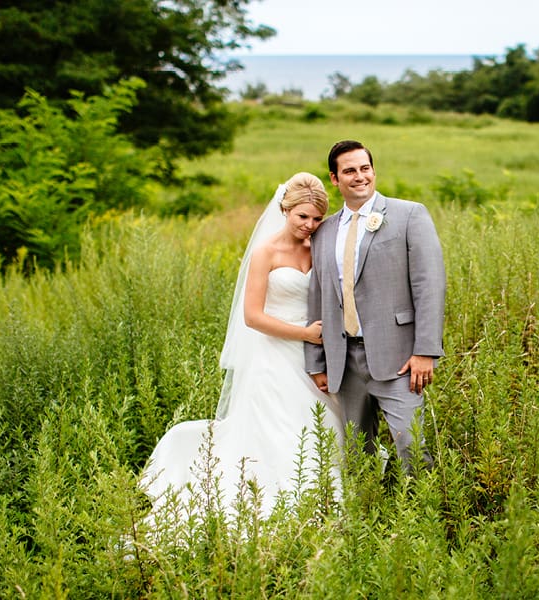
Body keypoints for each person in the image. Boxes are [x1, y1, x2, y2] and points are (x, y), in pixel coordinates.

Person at [142, 172, 343, 519]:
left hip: (314, 353)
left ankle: (323, 498)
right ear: (285, 209)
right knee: (281, 427)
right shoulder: (266, 252)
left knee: (322, 424)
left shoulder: (318, 249)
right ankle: (279, 500)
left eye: (316, 218)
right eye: (302, 216)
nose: (309, 225)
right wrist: (305, 334)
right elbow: (253, 317)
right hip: (274, 354)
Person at [305, 140, 446, 473]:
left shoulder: (409, 215)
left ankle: (422, 503)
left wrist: (425, 351)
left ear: (373, 170)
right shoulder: (324, 232)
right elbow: (318, 297)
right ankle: (369, 504)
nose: (360, 176)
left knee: (411, 446)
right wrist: (316, 362)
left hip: (399, 358)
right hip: (344, 361)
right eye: (350, 171)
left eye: (365, 168)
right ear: (335, 179)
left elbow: (429, 285)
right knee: (357, 452)